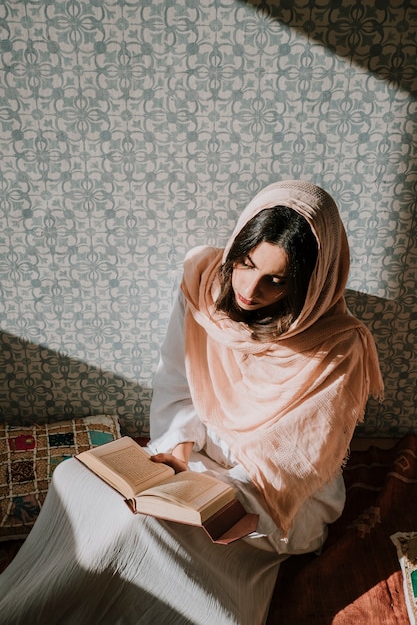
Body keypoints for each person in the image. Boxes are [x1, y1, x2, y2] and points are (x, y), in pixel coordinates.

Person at [0, 180, 383, 625]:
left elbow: (292, 467)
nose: (249, 289)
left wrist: (207, 491)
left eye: (275, 281)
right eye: (245, 263)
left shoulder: (339, 347)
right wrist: (177, 450)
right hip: (195, 457)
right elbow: (176, 382)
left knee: (148, 528)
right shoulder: (204, 287)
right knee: (77, 482)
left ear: (309, 284)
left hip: (273, 495)